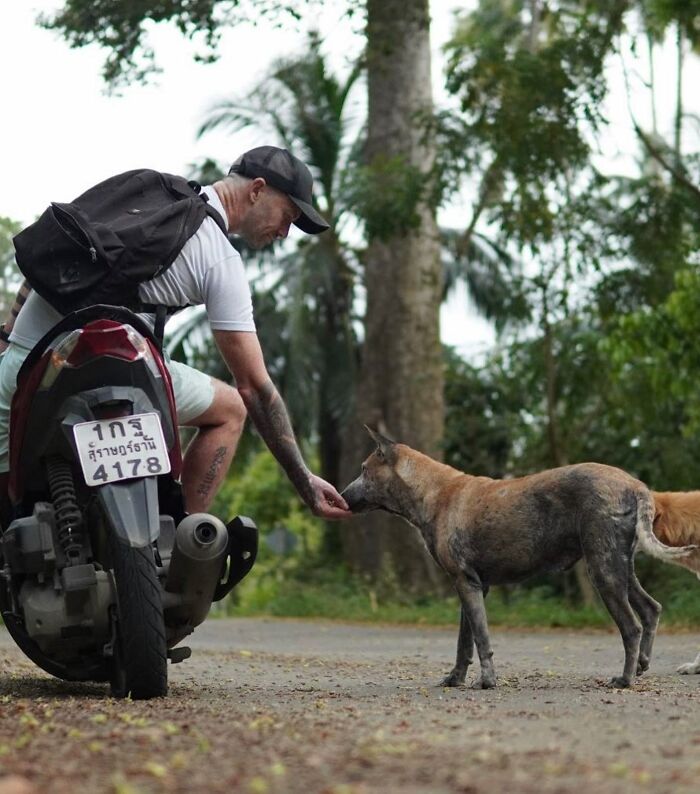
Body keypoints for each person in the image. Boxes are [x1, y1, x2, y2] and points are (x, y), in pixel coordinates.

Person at [0, 146, 351, 521]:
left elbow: (53, 255)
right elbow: (255, 388)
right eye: (288, 215)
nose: (284, 232)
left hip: (32, 363)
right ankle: (183, 545)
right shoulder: (219, 259)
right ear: (257, 190)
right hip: (124, 370)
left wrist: (10, 338)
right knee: (231, 408)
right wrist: (304, 480)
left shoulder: (141, 195)